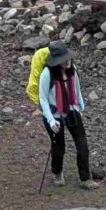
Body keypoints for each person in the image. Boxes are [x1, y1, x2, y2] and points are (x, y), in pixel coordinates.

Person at [39, 44, 94, 187]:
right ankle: (57, 173)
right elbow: (43, 99)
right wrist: (51, 121)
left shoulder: (72, 70)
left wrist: (80, 107)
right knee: (59, 148)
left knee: (82, 145)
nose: (67, 61)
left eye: (67, 58)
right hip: (54, 115)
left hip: (71, 111)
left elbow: (77, 89)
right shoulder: (47, 74)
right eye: (63, 60)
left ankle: (85, 178)